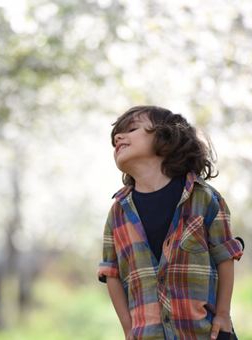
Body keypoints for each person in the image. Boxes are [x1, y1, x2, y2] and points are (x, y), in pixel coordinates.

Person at [97, 106, 244, 340]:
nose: (118, 137)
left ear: (166, 138)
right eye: (115, 137)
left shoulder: (204, 198)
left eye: (132, 129)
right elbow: (111, 273)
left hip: (204, 334)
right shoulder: (117, 214)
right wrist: (128, 329)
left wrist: (223, 314)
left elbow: (225, 255)